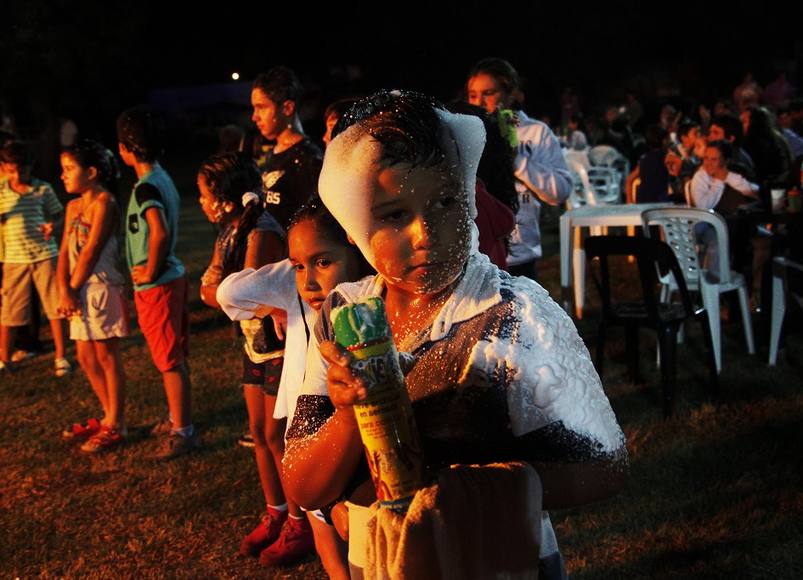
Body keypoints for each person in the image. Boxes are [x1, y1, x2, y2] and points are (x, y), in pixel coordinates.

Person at [282, 90, 627, 579]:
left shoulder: (511, 314)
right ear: (356, 222)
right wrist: (345, 415)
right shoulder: (347, 315)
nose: (427, 233)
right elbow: (301, 486)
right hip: (380, 561)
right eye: (395, 214)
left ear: (469, 192)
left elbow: (606, 464)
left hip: (494, 558)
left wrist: (478, 489)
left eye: (446, 201)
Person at [217, 199, 373, 577]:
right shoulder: (298, 290)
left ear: (355, 247)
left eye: (323, 262)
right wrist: (273, 306)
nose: (309, 281)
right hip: (308, 415)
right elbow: (227, 294)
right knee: (324, 524)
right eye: (299, 266)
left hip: (363, 435)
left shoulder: (375, 303)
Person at [195, 152, 317, 567]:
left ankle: (301, 523)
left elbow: (242, 291)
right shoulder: (229, 231)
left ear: (224, 199)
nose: (199, 202)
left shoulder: (260, 231)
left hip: (277, 347)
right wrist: (226, 295)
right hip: (254, 344)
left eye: (203, 194)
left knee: (278, 434)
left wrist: (234, 298)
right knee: (258, 432)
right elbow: (209, 287)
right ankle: (276, 512)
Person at [117, 105, 195, 459]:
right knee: (176, 357)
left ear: (125, 149)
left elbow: (159, 231)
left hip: (158, 284)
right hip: (173, 276)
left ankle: (182, 431)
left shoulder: (145, 187)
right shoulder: (162, 177)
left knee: (168, 361)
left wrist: (148, 270)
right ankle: (178, 418)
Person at [466, 58, 572, 280]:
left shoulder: (535, 133)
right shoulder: (468, 135)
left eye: (488, 93)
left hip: (520, 255)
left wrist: (517, 160)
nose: (479, 103)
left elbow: (560, 192)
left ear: (511, 93)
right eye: (473, 95)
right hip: (477, 253)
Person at [57, 140, 129, 452]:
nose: (63, 175)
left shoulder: (105, 204)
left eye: (69, 169)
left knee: (105, 355)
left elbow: (91, 252)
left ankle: (117, 422)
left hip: (101, 287)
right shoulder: (73, 206)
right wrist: (65, 288)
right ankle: (107, 415)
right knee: (85, 357)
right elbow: (64, 254)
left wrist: (71, 290)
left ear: (92, 172)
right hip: (76, 289)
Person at [0, 141, 69, 375]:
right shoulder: (1, 191)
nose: (18, 175)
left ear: (31, 167)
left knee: (55, 307)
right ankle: (4, 359)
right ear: (4, 168)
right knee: (10, 311)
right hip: (14, 260)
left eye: (23, 170)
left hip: (45, 255)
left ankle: (61, 356)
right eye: (12, 170)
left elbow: (59, 215)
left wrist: (54, 225)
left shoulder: (43, 189)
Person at [250, 66, 323, 230]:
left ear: (287, 108)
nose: (254, 117)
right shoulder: (272, 152)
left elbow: (317, 223)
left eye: (261, 107)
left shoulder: (308, 159)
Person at [690, 140, 759, 273]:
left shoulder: (734, 173)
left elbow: (754, 191)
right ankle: (698, 282)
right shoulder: (700, 176)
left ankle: (717, 285)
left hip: (734, 223)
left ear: (725, 161)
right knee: (708, 234)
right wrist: (718, 182)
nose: (708, 163)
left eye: (714, 159)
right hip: (705, 223)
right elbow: (703, 206)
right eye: (706, 158)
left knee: (723, 237)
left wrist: (727, 177)